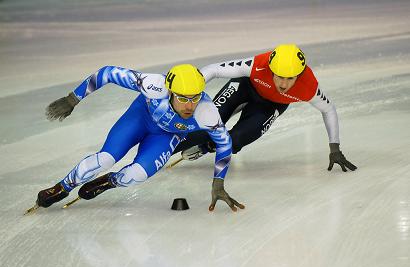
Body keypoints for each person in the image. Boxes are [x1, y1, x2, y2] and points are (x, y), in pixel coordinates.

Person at [28, 64, 244, 213]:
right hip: (140, 117)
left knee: (137, 175)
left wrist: (218, 183)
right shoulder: (152, 84)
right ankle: (63, 187)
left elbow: (224, 144)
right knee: (105, 159)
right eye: (183, 98)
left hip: (166, 135)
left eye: (195, 98)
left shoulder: (206, 112)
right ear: (169, 91)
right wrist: (72, 98)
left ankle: (109, 181)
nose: (190, 105)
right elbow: (107, 73)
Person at [175, 44, 357, 172]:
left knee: (236, 139)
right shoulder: (257, 65)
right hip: (246, 87)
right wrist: (189, 91)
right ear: (270, 69)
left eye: (290, 78)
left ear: (299, 76)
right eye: (279, 76)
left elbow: (329, 109)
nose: (284, 84)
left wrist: (335, 148)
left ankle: (207, 146)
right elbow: (214, 70)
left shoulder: (308, 87)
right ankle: (160, 146)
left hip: (271, 105)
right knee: (205, 124)